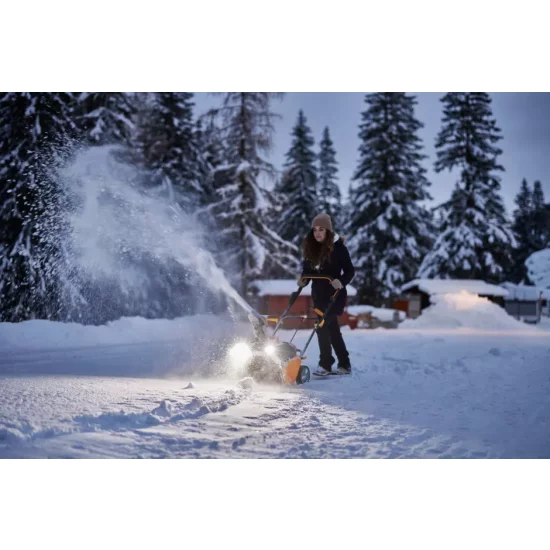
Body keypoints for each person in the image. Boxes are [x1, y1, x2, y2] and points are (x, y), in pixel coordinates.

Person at [298, 213, 355, 376]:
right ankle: (344, 364)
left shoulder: (339, 248)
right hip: (319, 296)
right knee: (332, 330)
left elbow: (350, 271)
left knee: (321, 326)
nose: (317, 233)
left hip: (335, 295)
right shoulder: (311, 248)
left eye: (321, 229)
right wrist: (303, 280)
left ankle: (326, 363)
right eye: (315, 229)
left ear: (328, 231)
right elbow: (307, 271)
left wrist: (341, 281)